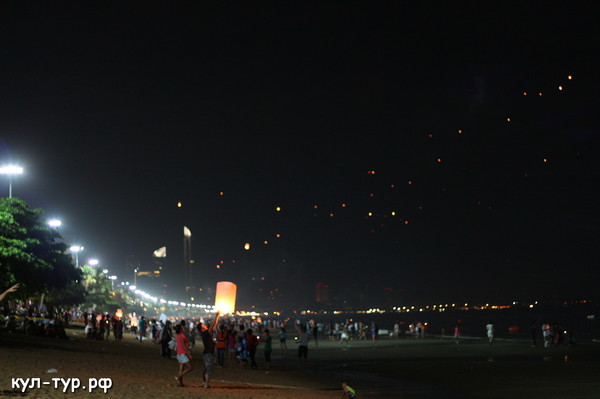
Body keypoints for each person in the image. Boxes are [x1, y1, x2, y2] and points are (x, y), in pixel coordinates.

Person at [197, 311, 221, 388]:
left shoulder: (205, 333)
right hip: (208, 353)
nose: (205, 325)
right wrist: (217, 316)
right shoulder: (205, 333)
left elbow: (213, 326)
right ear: (202, 328)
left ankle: (204, 383)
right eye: (203, 325)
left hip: (206, 353)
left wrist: (217, 316)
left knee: (205, 369)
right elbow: (213, 325)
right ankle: (206, 384)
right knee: (208, 369)